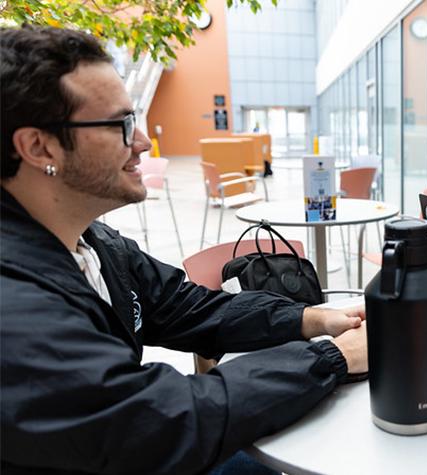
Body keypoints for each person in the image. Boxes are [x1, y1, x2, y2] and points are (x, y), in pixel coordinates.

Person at [0, 26, 367, 474]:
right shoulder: (14, 303)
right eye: (122, 125)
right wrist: (334, 357)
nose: (142, 144)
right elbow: (155, 420)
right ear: (39, 147)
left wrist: (313, 319)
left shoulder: (97, 244)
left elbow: (191, 309)